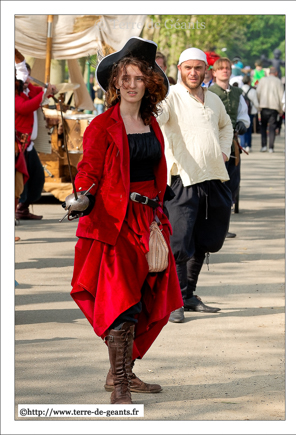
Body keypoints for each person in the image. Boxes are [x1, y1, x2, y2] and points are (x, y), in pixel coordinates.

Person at [66, 37, 183, 405]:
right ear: (115, 83)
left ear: (148, 83)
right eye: (125, 77)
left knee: (152, 300)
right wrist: (82, 193)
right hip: (115, 223)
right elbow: (89, 168)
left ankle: (125, 370)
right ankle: (119, 385)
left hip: (150, 222)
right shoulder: (102, 126)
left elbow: (157, 170)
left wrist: (160, 213)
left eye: (138, 78)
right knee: (121, 302)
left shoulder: (151, 124)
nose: (132, 84)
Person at [157, 47, 233, 323]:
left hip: (214, 176)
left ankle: (188, 295)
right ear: (180, 69)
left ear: (206, 71)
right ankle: (174, 301)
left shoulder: (213, 99)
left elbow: (226, 126)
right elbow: (156, 117)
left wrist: (224, 151)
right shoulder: (169, 98)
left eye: (198, 68)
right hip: (182, 179)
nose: (193, 72)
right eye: (188, 67)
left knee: (207, 238)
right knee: (180, 241)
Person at [209, 57, 250, 238]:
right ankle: (212, 228)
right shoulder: (208, 93)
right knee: (216, 187)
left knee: (231, 186)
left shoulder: (237, 93)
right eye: (221, 68)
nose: (225, 71)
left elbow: (244, 115)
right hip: (213, 146)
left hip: (233, 147)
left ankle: (223, 228)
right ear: (214, 72)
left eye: (227, 68)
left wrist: (242, 124)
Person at [15, 60, 57, 220]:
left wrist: (50, 90)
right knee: (20, 180)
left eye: (27, 77)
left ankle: (23, 209)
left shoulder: (27, 89)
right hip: (18, 145)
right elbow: (25, 107)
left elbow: (41, 93)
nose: (27, 81)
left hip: (28, 144)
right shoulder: (13, 92)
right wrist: (44, 94)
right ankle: (17, 209)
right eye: (23, 77)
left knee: (37, 177)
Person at [256, 66, 284, 153]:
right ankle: (271, 147)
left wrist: (259, 104)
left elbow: (258, 93)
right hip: (274, 108)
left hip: (264, 106)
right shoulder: (278, 82)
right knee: (272, 128)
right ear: (276, 73)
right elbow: (281, 96)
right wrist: (281, 109)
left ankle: (264, 146)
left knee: (263, 126)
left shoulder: (263, 80)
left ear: (269, 73)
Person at [239, 75, 260, 153]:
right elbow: (255, 102)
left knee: (241, 128)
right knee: (249, 129)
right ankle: (248, 145)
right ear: (249, 82)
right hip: (250, 112)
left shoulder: (239, 90)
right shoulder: (252, 91)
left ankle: (242, 145)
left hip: (241, 112)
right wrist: (259, 109)